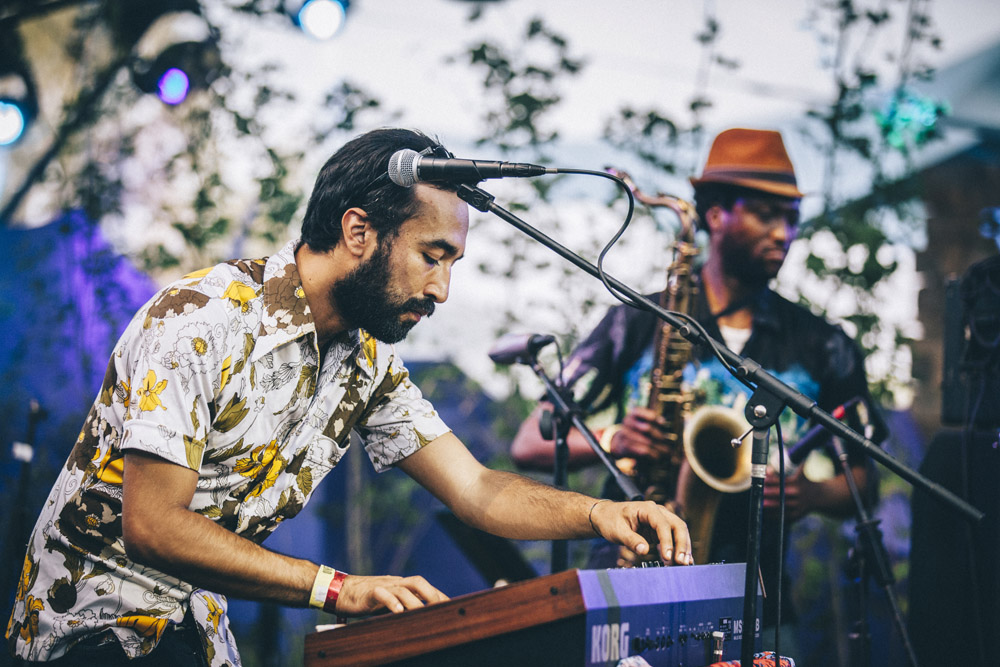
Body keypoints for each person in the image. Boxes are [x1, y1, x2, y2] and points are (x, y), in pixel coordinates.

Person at [5, 128, 693, 666]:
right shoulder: (198, 320)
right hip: (89, 638)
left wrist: (603, 511)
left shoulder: (366, 363)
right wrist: (340, 588)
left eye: (453, 264)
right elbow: (153, 524)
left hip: (193, 638)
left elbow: (480, 489)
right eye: (432, 255)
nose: (442, 290)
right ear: (358, 231)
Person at [510, 127, 887, 652]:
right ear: (715, 215)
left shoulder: (824, 345)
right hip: (630, 583)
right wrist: (614, 437)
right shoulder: (636, 322)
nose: (784, 232)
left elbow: (866, 479)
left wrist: (815, 493)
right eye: (765, 213)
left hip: (759, 602)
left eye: (792, 217)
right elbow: (530, 440)